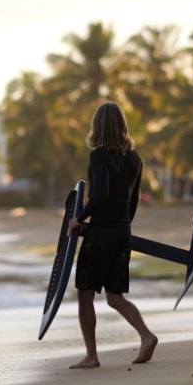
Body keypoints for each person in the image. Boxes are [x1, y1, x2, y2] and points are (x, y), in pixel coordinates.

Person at [66, 101, 157, 369]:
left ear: (98, 125)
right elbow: (132, 204)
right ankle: (146, 335)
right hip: (122, 232)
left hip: (101, 235)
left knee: (85, 293)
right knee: (114, 296)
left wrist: (79, 220)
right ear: (122, 125)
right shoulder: (135, 158)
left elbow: (100, 193)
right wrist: (120, 228)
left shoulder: (98, 155)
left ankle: (92, 356)